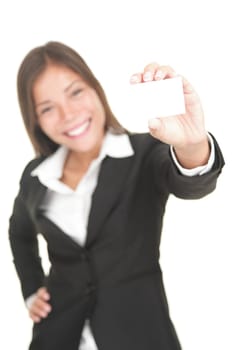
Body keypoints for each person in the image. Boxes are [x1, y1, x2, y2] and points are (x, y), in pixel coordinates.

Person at [8, 41, 224, 350]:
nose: (68, 114)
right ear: (36, 121)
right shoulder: (36, 176)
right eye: (47, 108)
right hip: (56, 337)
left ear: (95, 88)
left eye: (75, 92)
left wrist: (192, 144)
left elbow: (191, 183)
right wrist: (31, 289)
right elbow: (19, 233)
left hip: (140, 334)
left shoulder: (142, 154)